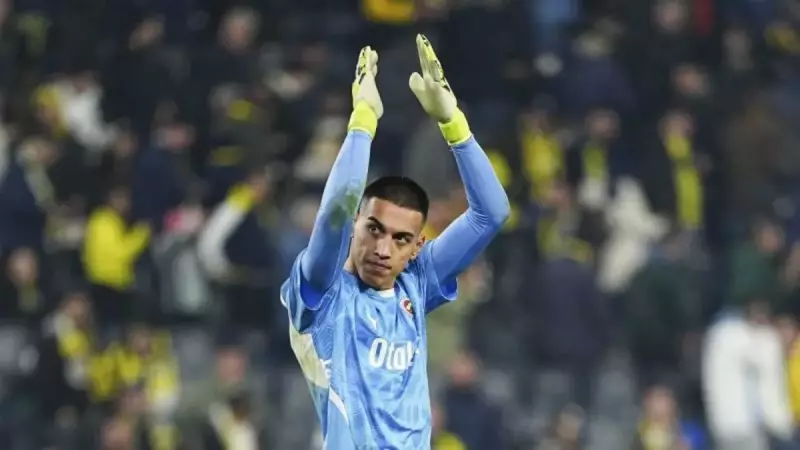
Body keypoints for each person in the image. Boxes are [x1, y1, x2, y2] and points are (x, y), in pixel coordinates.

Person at [279, 35, 509, 449]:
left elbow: (490, 214)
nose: (383, 249)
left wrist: (454, 125)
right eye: (374, 230)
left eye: (401, 239)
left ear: (416, 247)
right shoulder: (322, 293)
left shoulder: (416, 283)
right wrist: (363, 121)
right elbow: (336, 209)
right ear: (356, 226)